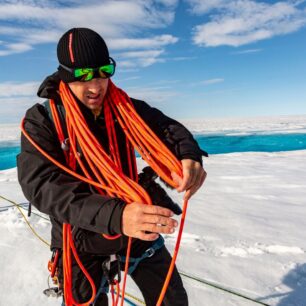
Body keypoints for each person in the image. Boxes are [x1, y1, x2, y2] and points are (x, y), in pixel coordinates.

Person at [17, 28, 207, 306]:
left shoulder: (124, 107)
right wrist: (118, 216)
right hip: (81, 238)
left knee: (172, 300)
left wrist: (188, 155)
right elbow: (42, 186)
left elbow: (167, 128)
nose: (96, 85)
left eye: (104, 70)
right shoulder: (43, 121)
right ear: (65, 76)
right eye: (84, 76)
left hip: (138, 228)